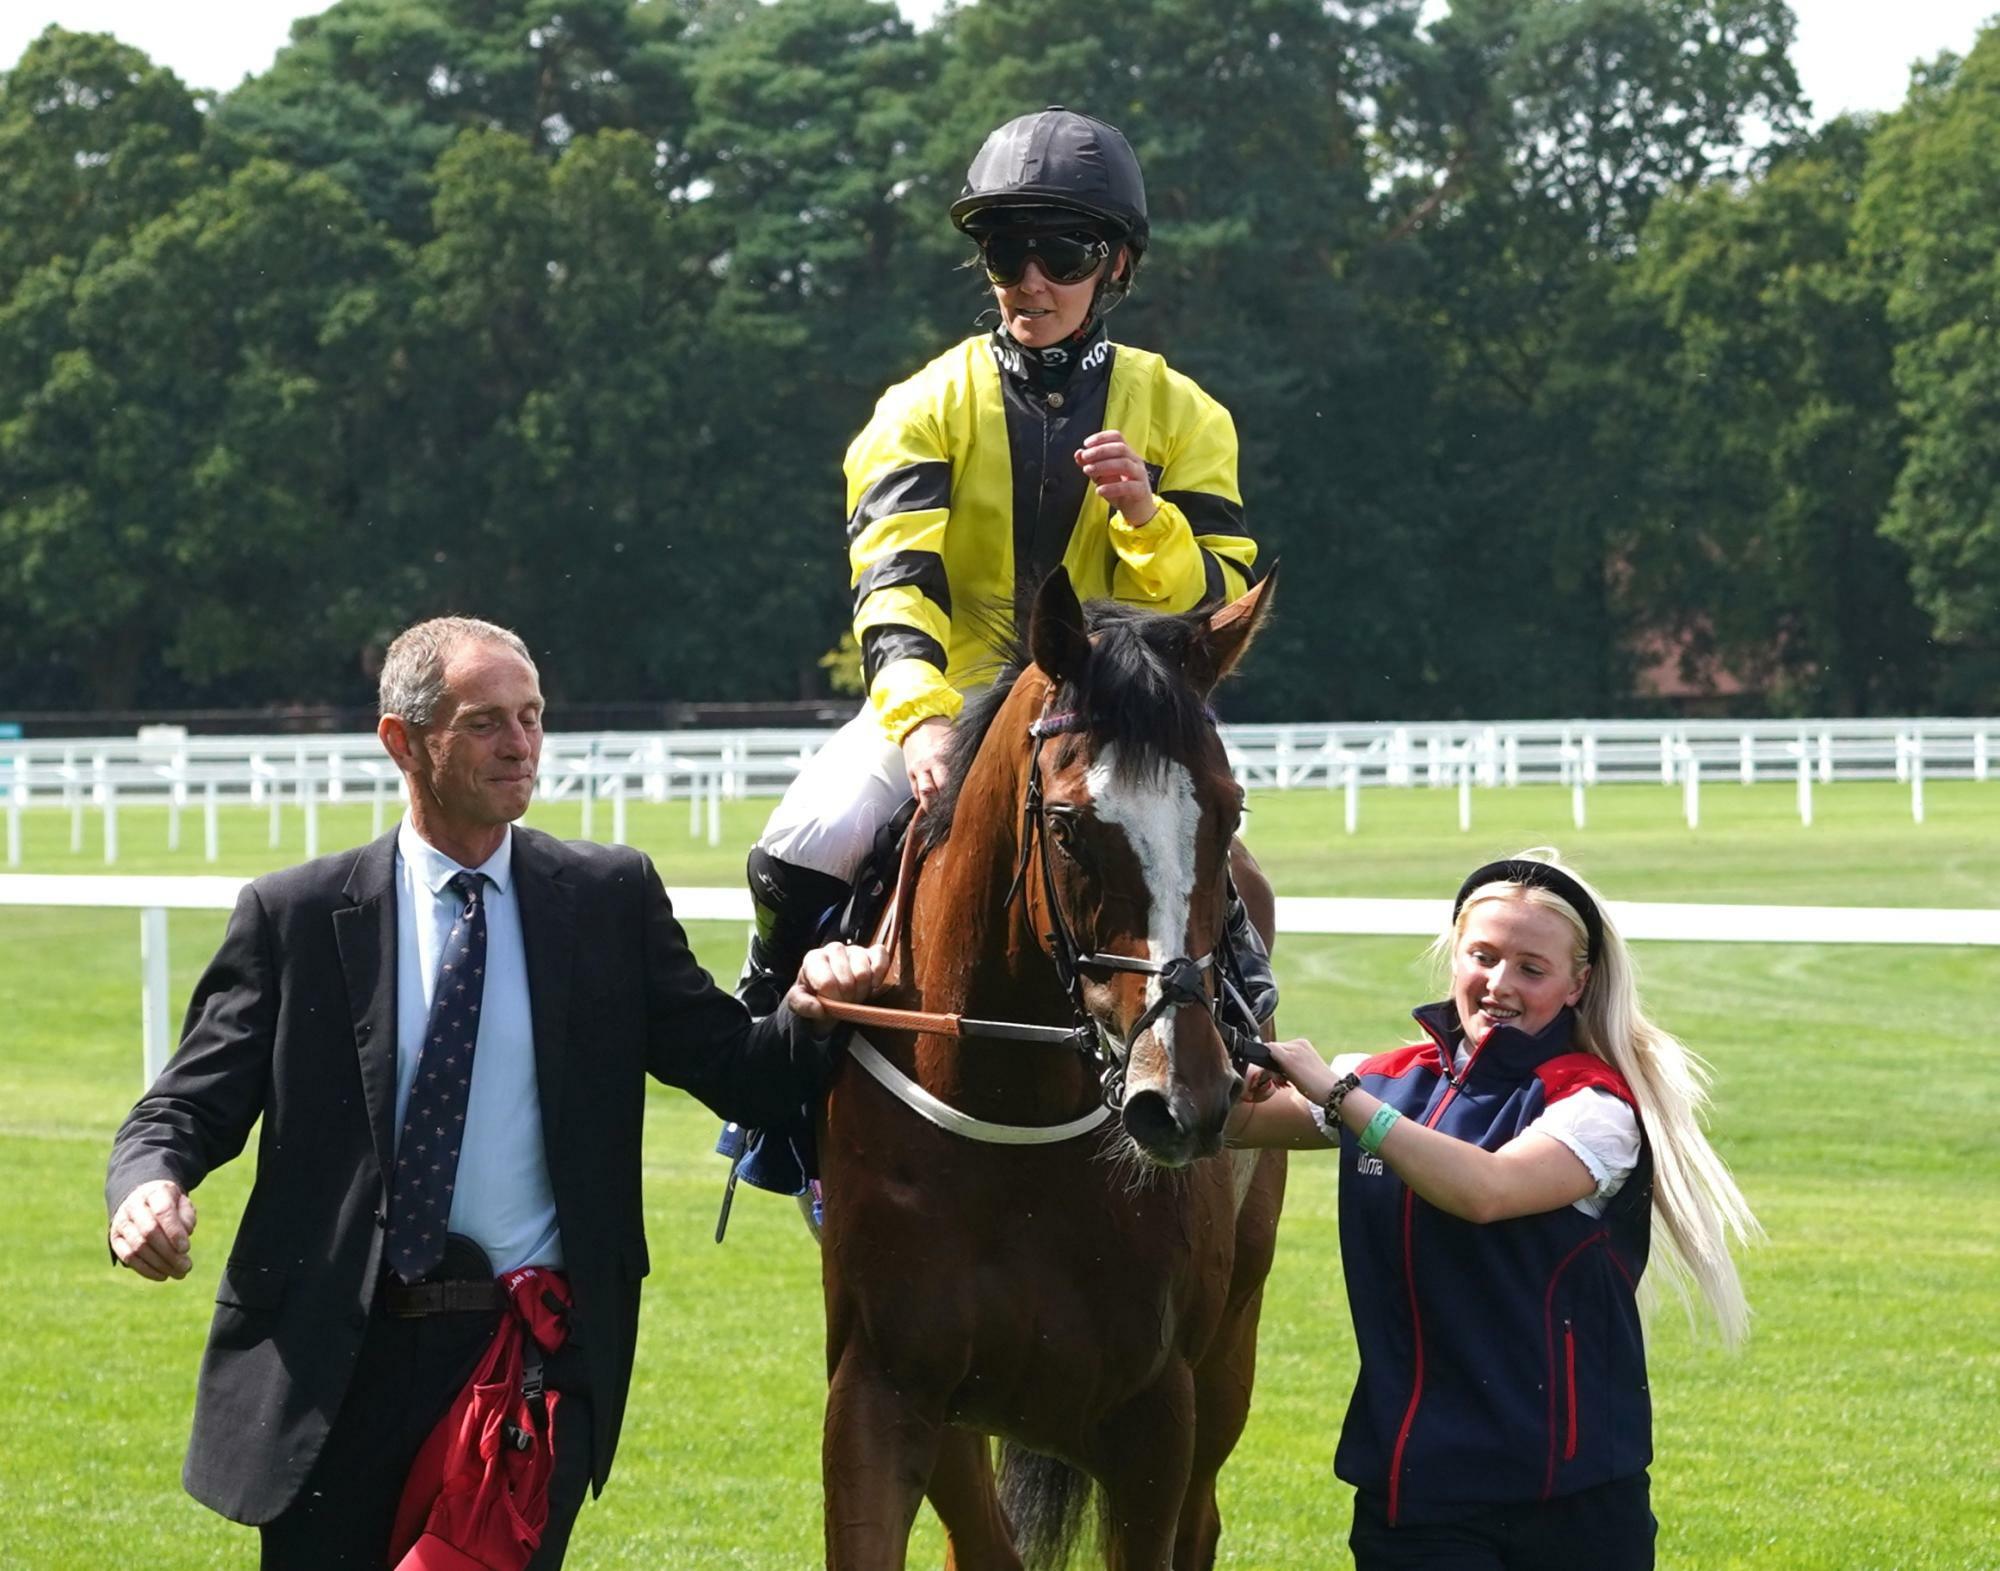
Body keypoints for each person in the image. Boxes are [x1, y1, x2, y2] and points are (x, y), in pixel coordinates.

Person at [104, 615, 888, 1570]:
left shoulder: (608, 898)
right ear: (403, 740)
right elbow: (184, 1106)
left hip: (525, 1365)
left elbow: (739, 1069)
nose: (521, 745)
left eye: (532, 717)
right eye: (485, 723)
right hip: (331, 1370)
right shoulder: (297, 917)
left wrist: (809, 1007)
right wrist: (147, 1185)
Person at [735, 105, 1267, 1015]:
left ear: (1116, 265)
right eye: (1005, 252)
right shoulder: (917, 406)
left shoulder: (1188, 415)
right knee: (801, 844)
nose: (1030, 281)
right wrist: (922, 723)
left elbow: (1217, 604)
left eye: (1060, 254)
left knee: (1228, 887)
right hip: (945, 703)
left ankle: (1239, 1038)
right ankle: (768, 1085)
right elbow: (894, 582)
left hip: (1115, 716)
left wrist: (1146, 515)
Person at [1229, 852, 1760, 1571]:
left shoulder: (1595, 1107)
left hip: (1571, 1504)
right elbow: (1212, 1120)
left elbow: (1485, 1190)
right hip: (1415, 1495)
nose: (1499, 983)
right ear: (1455, 952)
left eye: (1531, 968)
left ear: (1579, 984)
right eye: (1483, 955)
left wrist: (1340, 1097)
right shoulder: (1384, 1080)